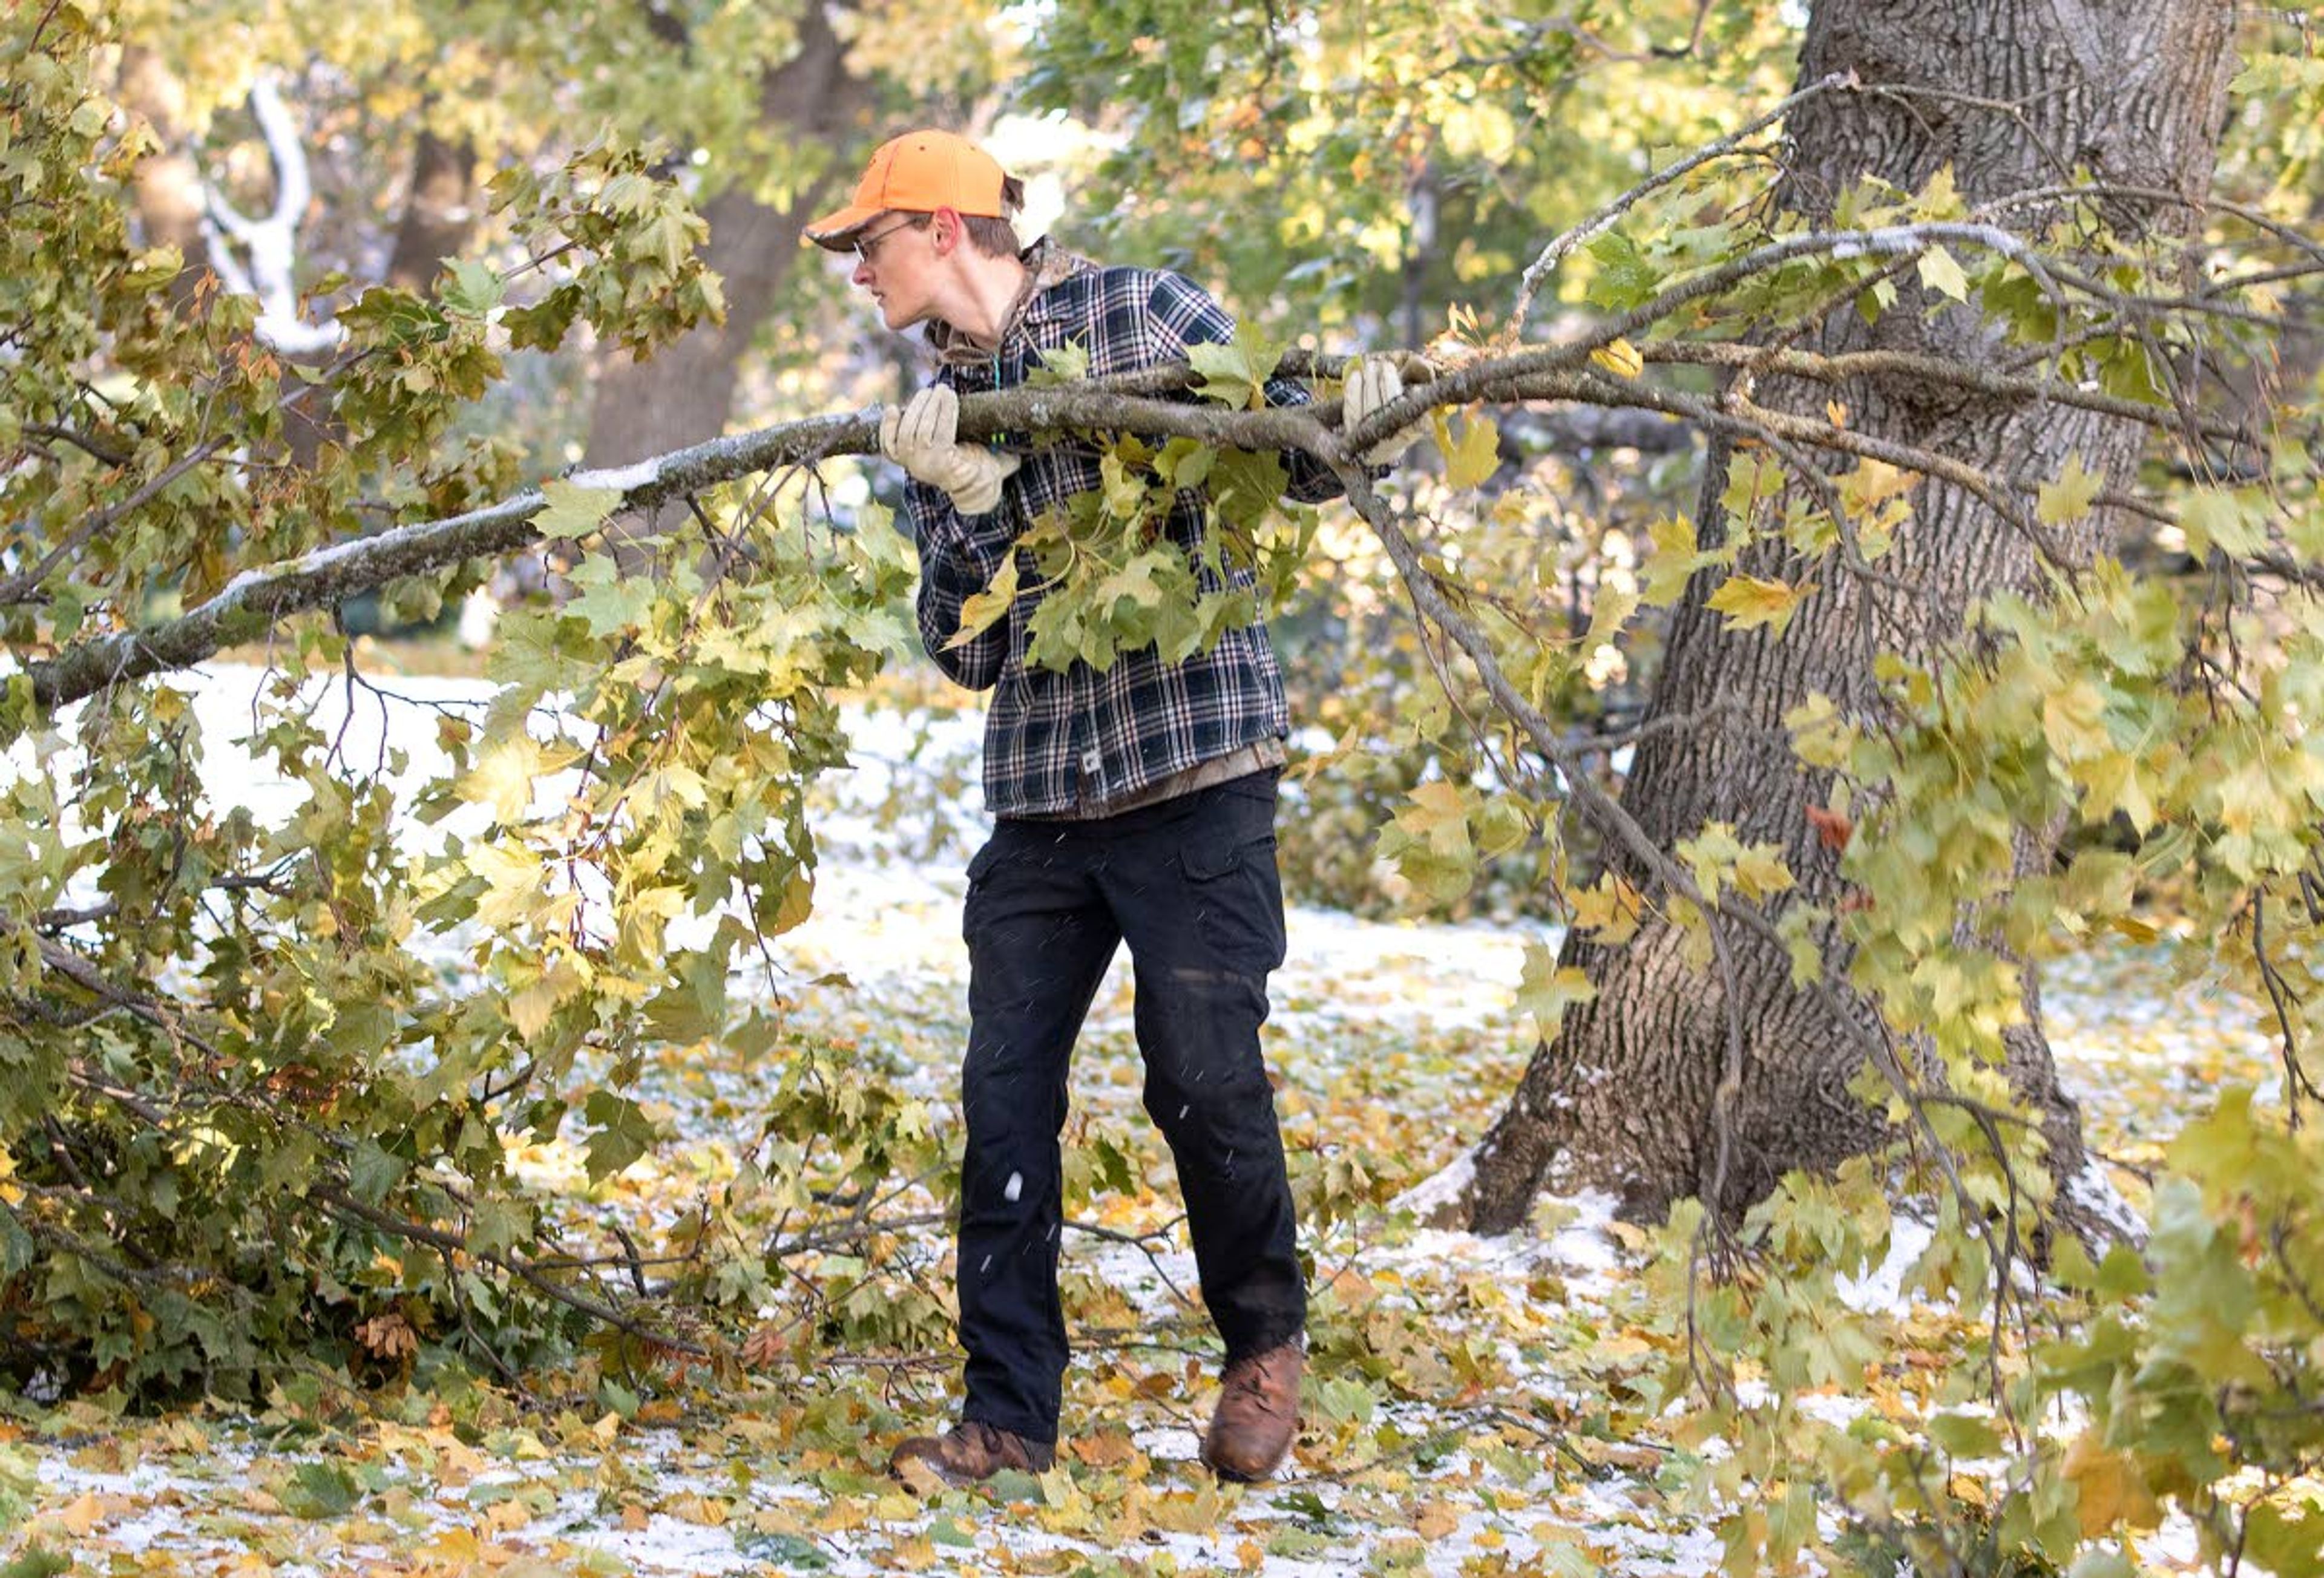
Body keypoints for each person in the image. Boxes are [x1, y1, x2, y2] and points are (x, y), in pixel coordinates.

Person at [805, 128, 1419, 1488]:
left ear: (951, 229)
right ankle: (1009, 1420)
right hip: (1043, 801)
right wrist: (965, 497)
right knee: (1004, 1096)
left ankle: (1264, 1341)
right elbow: (966, 650)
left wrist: (1359, 415)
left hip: (1195, 772)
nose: (858, 269)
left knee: (1199, 1073)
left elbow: (1285, 450)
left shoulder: (1140, 308)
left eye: (872, 242)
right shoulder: (935, 406)